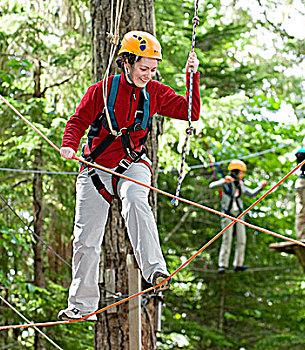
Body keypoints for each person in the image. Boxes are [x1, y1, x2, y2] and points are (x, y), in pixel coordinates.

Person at [57, 31, 200, 321]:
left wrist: (191, 77)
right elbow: (78, 121)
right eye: (143, 68)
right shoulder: (102, 90)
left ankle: (155, 270)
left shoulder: (156, 93)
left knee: (135, 199)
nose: (148, 75)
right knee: (86, 238)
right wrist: (69, 145)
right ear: (127, 63)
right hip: (95, 168)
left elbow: (191, 112)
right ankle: (82, 306)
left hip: (132, 164)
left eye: (153, 70)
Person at [209, 160, 266, 273]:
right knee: (227, 239)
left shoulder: (240, 184)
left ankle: (238, 264)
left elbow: (251, 193)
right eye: (241, 173)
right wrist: (224, 181)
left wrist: (261, 188)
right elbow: (212, 185)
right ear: (235, 172)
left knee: (242, 240)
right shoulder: (226, 182)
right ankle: (223, 265)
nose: (243, 175)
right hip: (227, 214)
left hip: (239, 215)